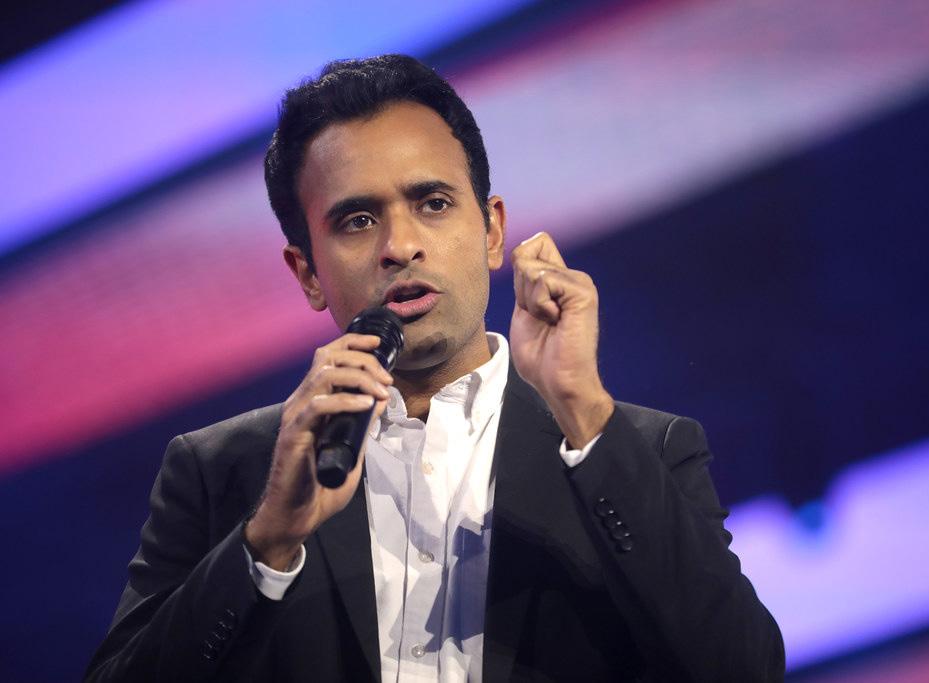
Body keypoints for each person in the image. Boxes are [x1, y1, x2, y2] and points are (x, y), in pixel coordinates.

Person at [85, 54, 784, 682]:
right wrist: (268, 539)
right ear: (307, 274)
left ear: (491, 230)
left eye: (433, 203)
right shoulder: (223, 471)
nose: (400, 245)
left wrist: (582, 409)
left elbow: (744, 669)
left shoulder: (639, 451)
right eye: (357, 220)